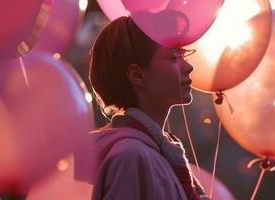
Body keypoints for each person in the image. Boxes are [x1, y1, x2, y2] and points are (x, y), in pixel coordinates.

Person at [88, 16, 210, 200]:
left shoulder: (159, 155)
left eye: (183, 55)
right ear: (137, 75)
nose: (189, 67)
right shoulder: (130, 156)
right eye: (173, 58)